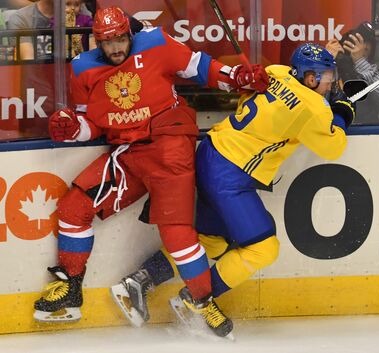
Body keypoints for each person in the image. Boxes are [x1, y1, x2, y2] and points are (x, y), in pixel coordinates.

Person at [32, 6, 268, 339]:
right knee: (73, 208)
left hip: (170, 150)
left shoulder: (157, 44)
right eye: (106, 42)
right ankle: (70, 289)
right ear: (97, 41)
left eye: (119, 39)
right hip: (127, 155)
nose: (114, 48)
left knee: (177, 235)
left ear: (129, 34)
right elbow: (91, 124)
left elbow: (200, 68)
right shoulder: (83, 69)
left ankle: (203, 301)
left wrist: (237, 78)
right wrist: (72, 129)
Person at [109, 43, 354, 330]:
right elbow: (334, 145)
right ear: (310, 78)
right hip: (229, 176)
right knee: (263, 248)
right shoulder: (313, 107)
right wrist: (342, 110)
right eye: (326, 75)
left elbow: (262, 94)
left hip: (211, 152)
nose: (330, 81)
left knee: (213, 241)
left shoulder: (275, 72)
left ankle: (136, 283)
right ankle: (197, 299)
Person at [326, 21, 379, 124]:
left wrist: (359, 61)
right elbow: (314, 96)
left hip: (365, 132)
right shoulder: (331, 68)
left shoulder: (370, 71)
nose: (362, 47)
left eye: (367, 45)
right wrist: (327, 60)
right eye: (357, 41)